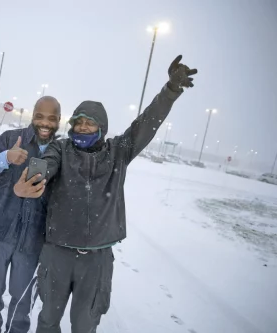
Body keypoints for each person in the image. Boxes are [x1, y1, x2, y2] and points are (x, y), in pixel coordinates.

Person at [14, 55, 198, 333]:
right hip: (57, 253)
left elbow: (147, 123)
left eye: (90, 123)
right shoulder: (61, 149)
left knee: (85, 323)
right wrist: (34, 176)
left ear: (101, 127)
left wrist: (170, 90)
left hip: (97, 259)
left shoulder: (118, 151)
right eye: (78, 122)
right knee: (48, 320)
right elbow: (45, 165)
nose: (83, 127)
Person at [0, 96, 61, 333]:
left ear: (59, 121)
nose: (45, 123)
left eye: (51, 118)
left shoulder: (61, 152)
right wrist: (5, 158)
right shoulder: (11, 139)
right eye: (39, 116)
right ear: (32, 115)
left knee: (22, 300)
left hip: (33, 239)